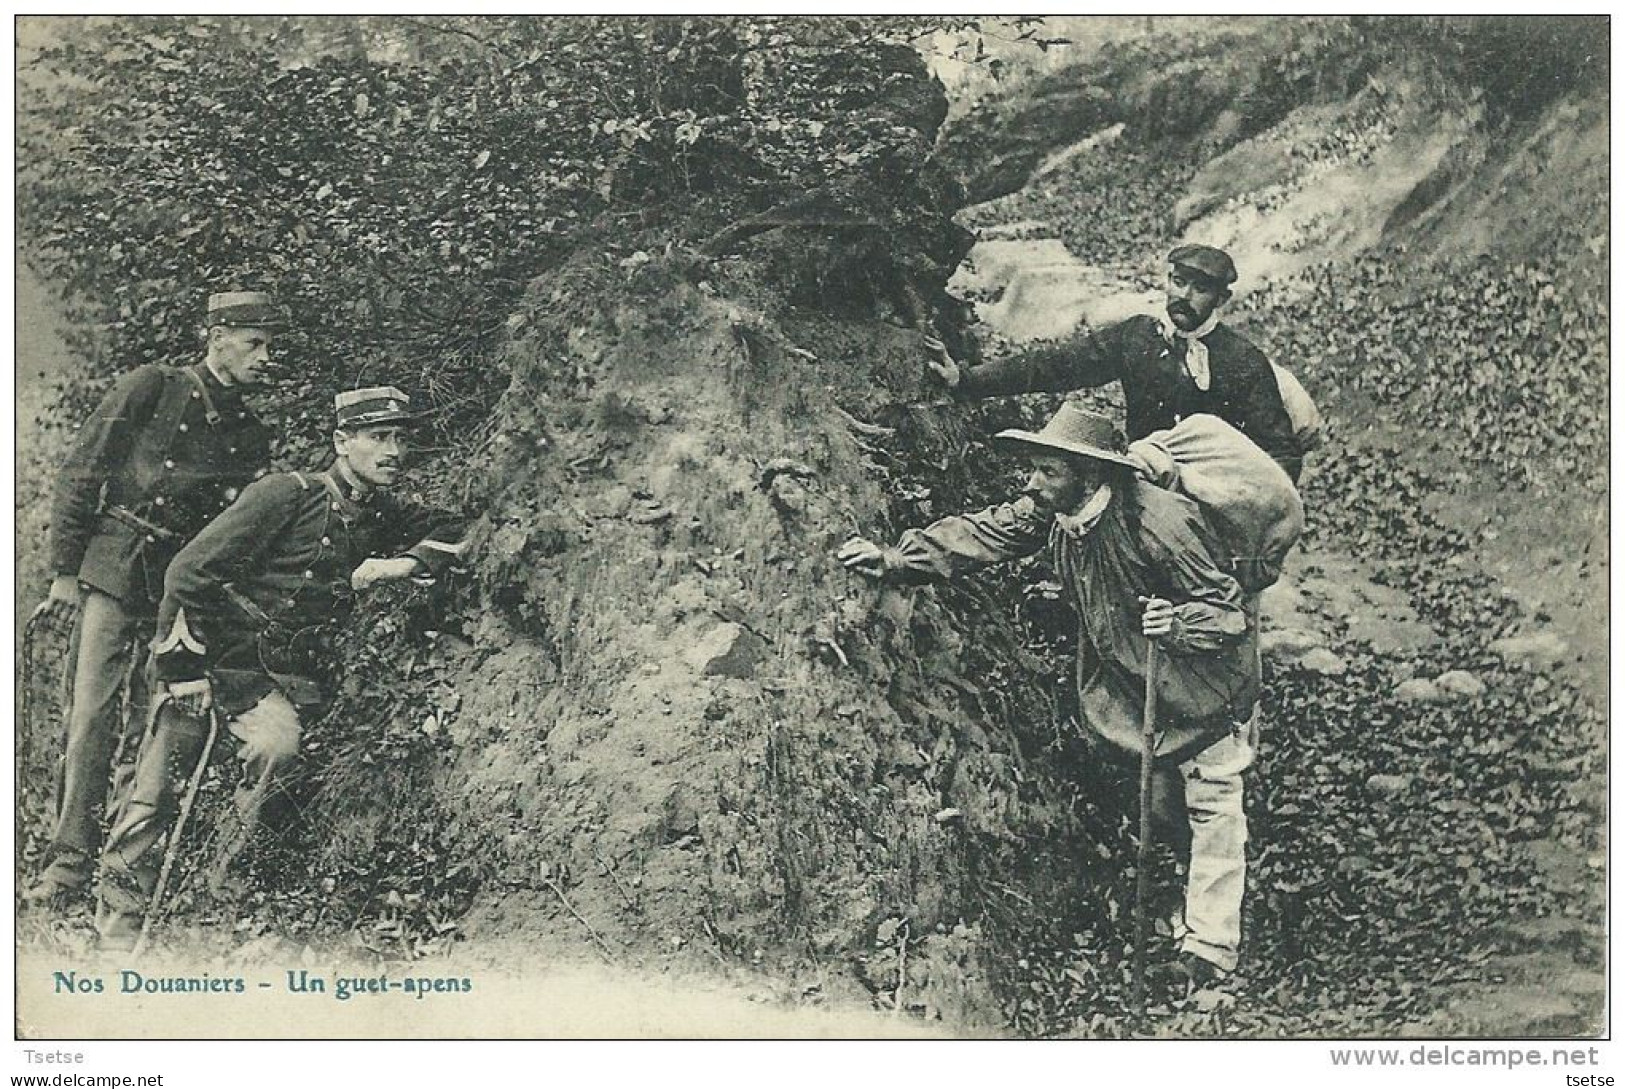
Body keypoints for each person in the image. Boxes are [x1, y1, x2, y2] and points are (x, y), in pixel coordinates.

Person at [838, 403, 1258, 991]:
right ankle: (1196, 900)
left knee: (1213, 803)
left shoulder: (1160, 522)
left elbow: (1229, 611)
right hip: (1135, 685)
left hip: (1205, 682)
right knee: (1167, 802)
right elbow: (986, 531)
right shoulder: (1056, 513)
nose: (1033, 483)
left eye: (1048, 471)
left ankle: (1211, 950)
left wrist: (1182, 622)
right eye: (1034, 469)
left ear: (1091, 474)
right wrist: (896, 558)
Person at [94, 386, 468, 950]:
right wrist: (183, 670)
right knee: (154, 795)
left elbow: (457, 527)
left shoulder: (380, 512)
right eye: (379, 437)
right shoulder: (284, 494)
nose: (394, 451)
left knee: (277, 748)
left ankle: (217, 907)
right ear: (343, 442)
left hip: (269, 681)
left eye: (401, 439)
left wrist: (402, 564)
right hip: (204, 661)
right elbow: (187, 573)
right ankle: (115, 937)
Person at [27, 291, 285, 907]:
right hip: (117, 568)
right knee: (91, 714)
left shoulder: (249, 432)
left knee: (157, 721)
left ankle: (118, 870)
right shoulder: (153, 387)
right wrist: (66, 573)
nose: (266, 358)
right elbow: (83, 471)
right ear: (218, 337)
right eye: (255, 343)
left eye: (271, 346)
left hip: (181, 589)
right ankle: (66, 865)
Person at [924, 243, 1305, 481]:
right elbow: (1056, 365)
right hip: (1143, 485)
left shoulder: (1242, 360)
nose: (1184, 296)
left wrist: (1252, 520)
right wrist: (967, 380)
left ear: (1221, 299)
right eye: (1178, 281)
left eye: (1201, 289)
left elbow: (1280, 452)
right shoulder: (1137, 336)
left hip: (1211, 505)